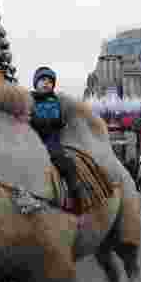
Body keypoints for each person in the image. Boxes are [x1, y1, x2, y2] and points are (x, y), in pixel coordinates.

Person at [28, 66, 89, 210]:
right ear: (35, 83)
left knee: (61, 159)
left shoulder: (54, 101)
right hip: (31, 138)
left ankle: (74, 190)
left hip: (50, 138)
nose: (46, 83)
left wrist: (50, 122)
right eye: (42, 80)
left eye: (50, 81)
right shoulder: (28, 99)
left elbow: (58, 119)